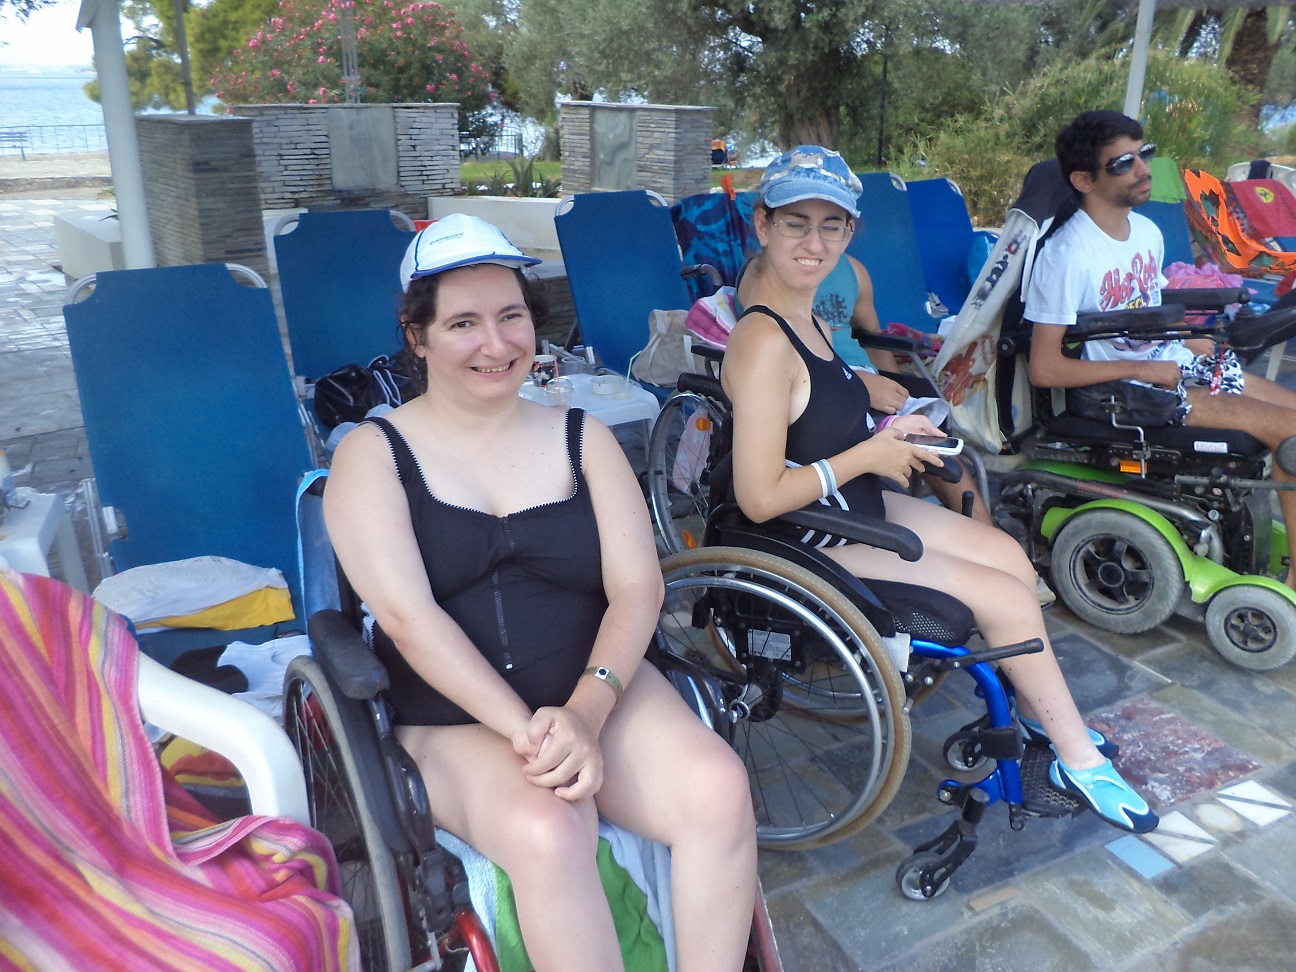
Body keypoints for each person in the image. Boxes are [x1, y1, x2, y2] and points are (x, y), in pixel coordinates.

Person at [323, 213, 757, 971]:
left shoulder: (583, 437)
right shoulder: (373, 454)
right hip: (455, 720)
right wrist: (532, 735)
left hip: (596, 690)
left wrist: (586, 712)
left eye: (511, 316)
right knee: (551, 827)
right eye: (463, 323)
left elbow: (636, 587)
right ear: (417, 336)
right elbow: (407, 617)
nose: (496, 345)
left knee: (717, 789)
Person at [722, 145, 1157, 834]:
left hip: (845, 505)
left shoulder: (808, 316)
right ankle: (1078, 758)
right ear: (763, 224)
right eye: (795, 223)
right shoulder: (761, 339)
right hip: (803, 532)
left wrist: (888, 421)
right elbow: (758, 498)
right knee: (1002, 596)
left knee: (1007, 555)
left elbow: (811, 413)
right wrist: (871, 453)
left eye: (831, 226)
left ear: (850, 231)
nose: (814, 243)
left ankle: (1041, 718)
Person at [1026, 109, 1296, 591]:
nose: (1142, 169)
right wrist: (1143, 369)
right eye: (1122, 163)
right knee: (1290, 433)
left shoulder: (1147, 234)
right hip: (1124, 393)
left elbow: (1144, 315)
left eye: (1142, 154)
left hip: (1170, 368)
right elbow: (1044, 368)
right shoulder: (1066, 256)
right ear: (1083, 180)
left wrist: (1194, 341)